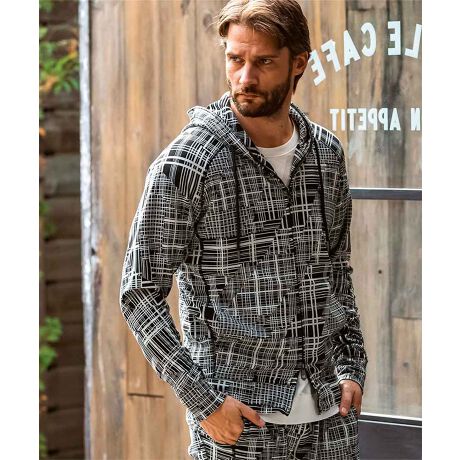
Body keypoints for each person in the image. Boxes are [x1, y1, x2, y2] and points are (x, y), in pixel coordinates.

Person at [119, 0, 368, 458]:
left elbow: (337, 268)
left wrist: (352, 365)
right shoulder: (189, 163)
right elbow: (139, 293)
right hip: (240, 427)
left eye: (263, 62)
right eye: (235, 59)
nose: (245, 78)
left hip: (330, 421)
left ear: (298, 63)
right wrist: (204, 403)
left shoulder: (326, 155)